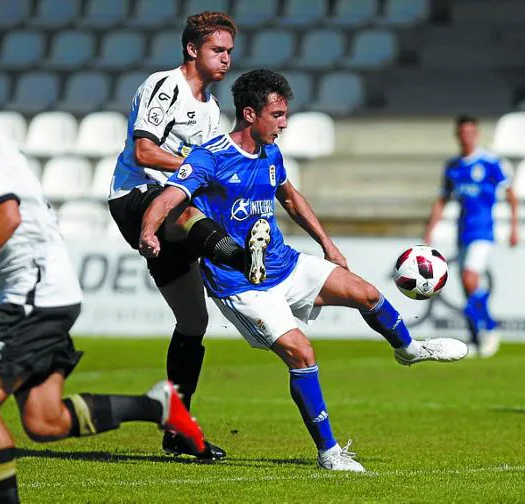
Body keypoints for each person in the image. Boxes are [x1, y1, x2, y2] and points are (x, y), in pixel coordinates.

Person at [139, 69, 469, 472]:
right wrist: (148, 230)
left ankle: (408, 349)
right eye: (277, 114)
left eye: (285, 114)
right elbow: (171, 197)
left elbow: (291, 199)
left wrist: (328, 245)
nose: (284, 122)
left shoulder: (271, 154)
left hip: (285, 263)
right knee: (301, 353)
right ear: (249, 113)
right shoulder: (210, 157)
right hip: (242, 284)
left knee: (365, 293)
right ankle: (330, 453)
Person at [0, 60, 206, 504]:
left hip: (34, 294)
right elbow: (34, 216)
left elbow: (9, 215)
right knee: (43, 420)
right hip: (46, 289)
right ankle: (157, 406)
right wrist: (2, 284)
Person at [108, 11, 238, 460]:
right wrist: (201, 169)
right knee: (211, 233)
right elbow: (143, 149)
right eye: (217, 50)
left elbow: (204, 173)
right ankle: (238, 257)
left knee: (193, 323)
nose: (225, 59)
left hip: (172, 207)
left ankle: (178, 428)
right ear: (192, 49)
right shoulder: (166, 86)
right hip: (136, 196)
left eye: (228, 52)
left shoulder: (211, 109)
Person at [423, 115, 518, 358]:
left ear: (476, 134)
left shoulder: (489, 162)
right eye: (462, 133)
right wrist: (430, 229)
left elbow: (510, 194)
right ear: (457, 136)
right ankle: (476, 337)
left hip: (484, 232)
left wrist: (514, 227)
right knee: (467, 288)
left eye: (470, 132)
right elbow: (442, 199)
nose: (467, 137)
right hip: (462, 233)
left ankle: (490, 328)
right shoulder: (453, 166)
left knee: (469, 278)